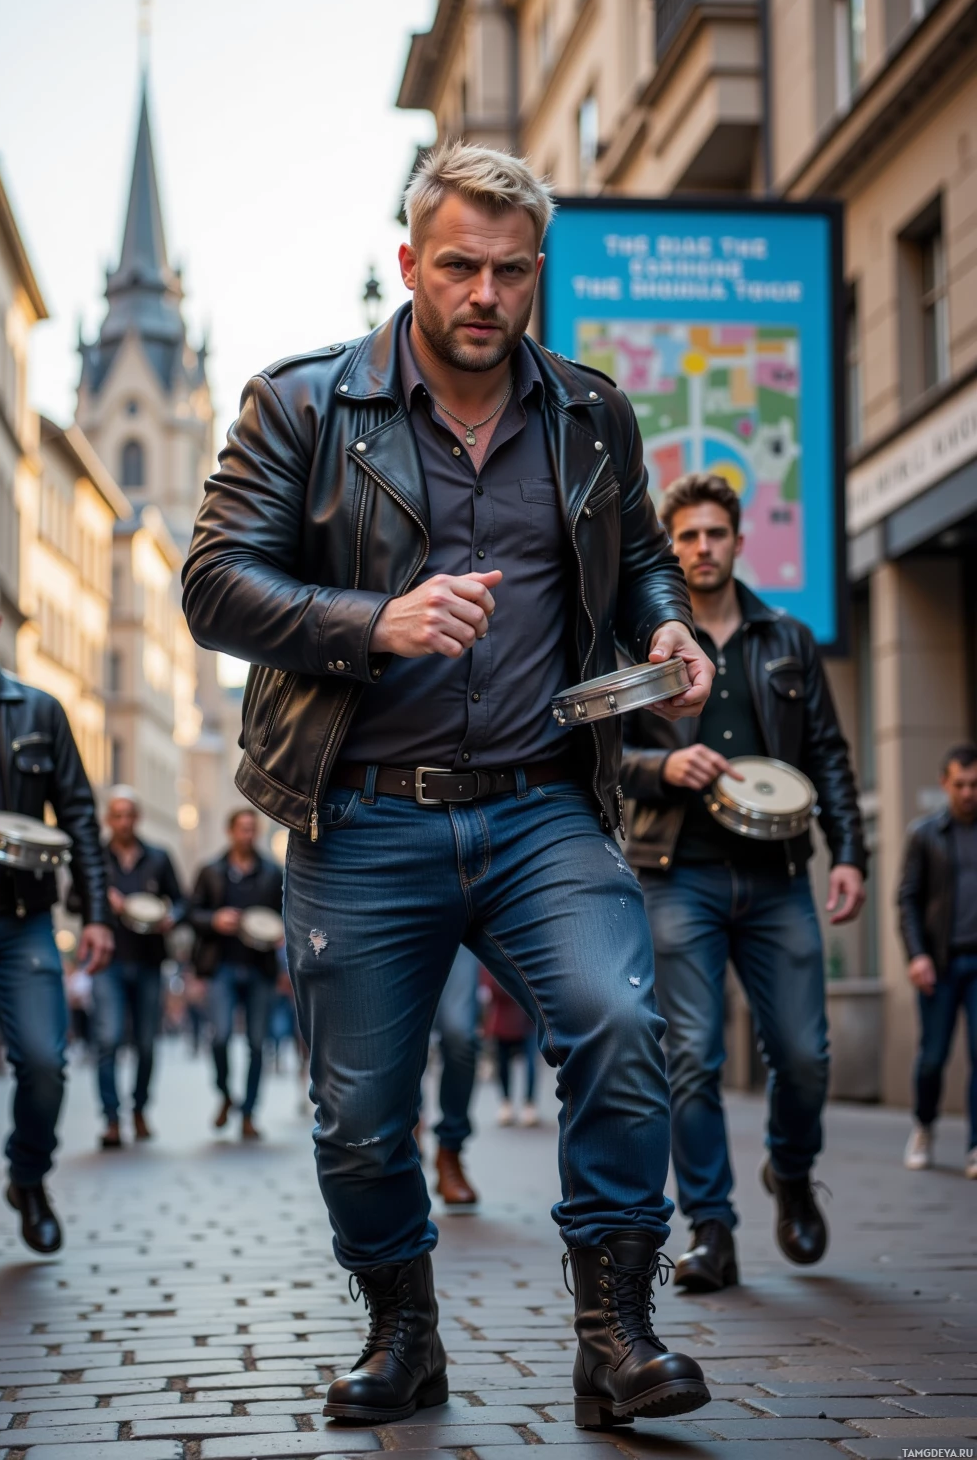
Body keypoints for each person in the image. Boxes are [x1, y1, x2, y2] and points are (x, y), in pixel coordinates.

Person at [182, 141, 717, 1429]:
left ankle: (614, 1334)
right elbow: (211, 586)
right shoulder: (301, 406)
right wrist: (375, 620)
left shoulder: (590, 411)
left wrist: (665, 629)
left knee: (620, 1022)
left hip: (542, 802)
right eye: (459, 266)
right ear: (410, 261)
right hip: (365, 811)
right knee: (362, 1116)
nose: (484, 293)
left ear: (538, 275)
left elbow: (640, 556)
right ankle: (403, 1333)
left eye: (510, 271)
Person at [622, 473, 866, 1294]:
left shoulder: (787, 639)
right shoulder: (643, 645)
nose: (701, 548)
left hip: (776, 877)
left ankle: (790, 1175)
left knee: (803, 1056)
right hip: (676, 876)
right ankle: (711, 1229)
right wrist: (663, 764)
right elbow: (599, 758)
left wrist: (851, 854)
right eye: (685, 536)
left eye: (713, 534)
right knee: (689, 1055)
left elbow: (827, 754)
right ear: (671, 546)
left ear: (736, 540)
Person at [0, 552, 112, 1271]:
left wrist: (98, 912)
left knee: (45, 1063)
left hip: (22, 918)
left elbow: (79, 815)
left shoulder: (38, 710)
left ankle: (26, 1178)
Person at [899, 742, 977, 1177]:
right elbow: (906, 900)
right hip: (941, 964)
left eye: (975, 785)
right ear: (945, 783)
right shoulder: (925, 834)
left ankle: (975, 1145)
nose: (968, 793)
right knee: (933, 1056)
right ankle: (924, 1125)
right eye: (961, 784)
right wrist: (917, 956)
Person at [94, 787, 185, 1149]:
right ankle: (112, 1118)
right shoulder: (95, 858)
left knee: (146, 1044)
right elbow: (72, 900)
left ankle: (140, 1109)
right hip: (108, 961)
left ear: (138, 817)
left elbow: (182, 902)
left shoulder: (159, 858)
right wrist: (102, 901)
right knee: (108, 1039)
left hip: (148, 961)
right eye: (117, 815)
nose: (124, 821)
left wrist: (171, 918)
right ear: (108, 819)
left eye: (129, 814)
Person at [189, 809, 284, 1140]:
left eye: (252, 829)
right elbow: (190, 913)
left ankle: (249, 1113)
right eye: (242, 829)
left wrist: (281, 934)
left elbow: (286, 915)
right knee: (220, 1036)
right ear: (230, 831)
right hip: (221, 967)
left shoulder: (272, 873)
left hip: (260, 968)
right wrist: (214, 920)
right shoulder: (210, 871)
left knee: (259, 1044)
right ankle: (226, 1093)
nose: (248, 835)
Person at [421, 947, 482, 1210]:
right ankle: (407, 1138)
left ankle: (450, 1151)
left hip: (460, 922)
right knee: (405, 1037)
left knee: (461, 1035)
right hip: (393, 912)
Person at [480, 966, 539, 1126]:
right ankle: (507, 1103)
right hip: (505, 1020)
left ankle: (529, 1104)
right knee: (504, 1063)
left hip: (528, 1020)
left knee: (530, 1063)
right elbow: (490, 987)